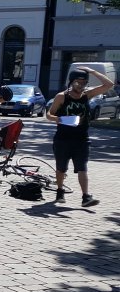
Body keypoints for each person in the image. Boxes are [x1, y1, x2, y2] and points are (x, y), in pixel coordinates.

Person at [46, 66, 114, 206]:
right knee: (61, 168)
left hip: (82, 139)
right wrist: (57, 119)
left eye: (84, 83)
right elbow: (49, 114)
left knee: (82, 167)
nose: (81, 86)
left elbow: (109, 85)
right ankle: (60, 191)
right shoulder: (61, 96)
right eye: (78, 82)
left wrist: (92, 71)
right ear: (71, 82)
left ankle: (85, 197)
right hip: (63, 139)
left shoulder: (87, 95)